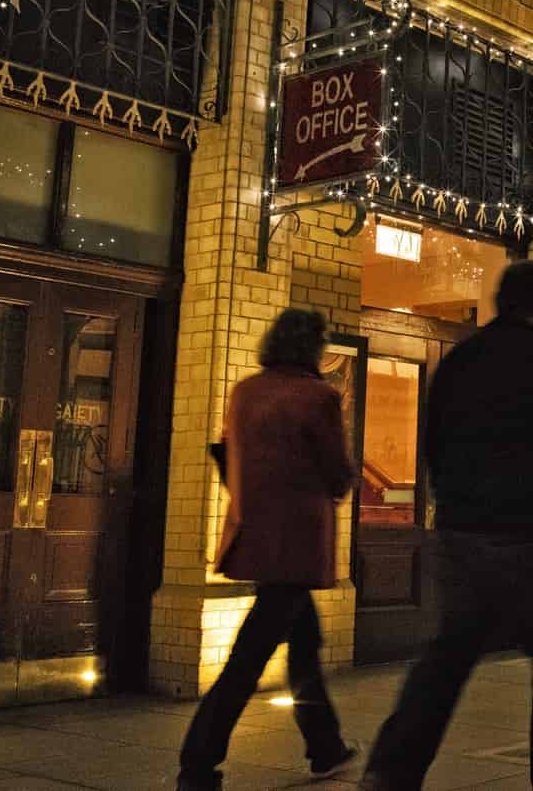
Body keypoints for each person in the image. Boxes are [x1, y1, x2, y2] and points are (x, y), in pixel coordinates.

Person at [360, 261, 533, 791]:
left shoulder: (463, 359)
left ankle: (391, 770)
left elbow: (434, 441)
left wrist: (449, 504)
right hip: (532, 533)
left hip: (465, 531)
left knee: (449, 655)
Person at [177, 309, 358, 791]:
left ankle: (325, 746)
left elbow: (224, 452)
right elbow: (339, 473)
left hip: (255, 537)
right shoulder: (319, 397)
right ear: (312, 347)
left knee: (304, 645)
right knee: (247, 659)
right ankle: (197, 763)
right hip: (297, 544)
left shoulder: (246, 392)